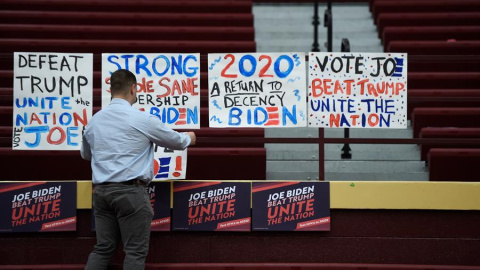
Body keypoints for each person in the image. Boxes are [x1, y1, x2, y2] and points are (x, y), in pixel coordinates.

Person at [81, 69, 196, 270]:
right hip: (130, 192)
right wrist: (189, 138)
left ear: (111, 89)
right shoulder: (142, 119)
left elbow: (86, 155)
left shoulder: (93, 121)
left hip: (101, 193)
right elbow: (176, 141)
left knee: (103, 248)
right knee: (134, 251)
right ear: (133, 88)